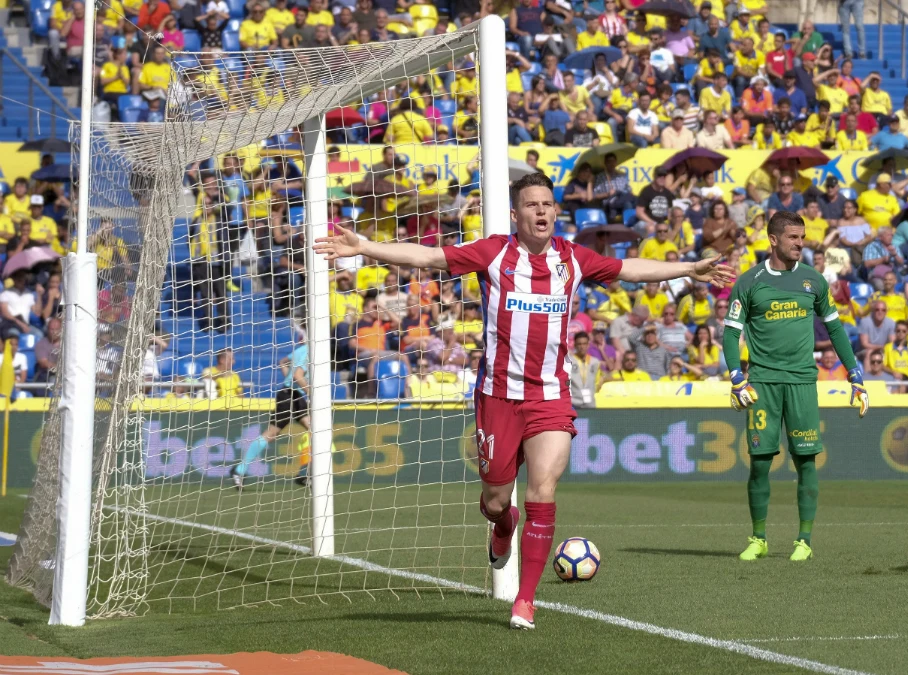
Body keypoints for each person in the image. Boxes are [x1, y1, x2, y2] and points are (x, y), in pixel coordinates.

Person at [313, 172, 733, 630]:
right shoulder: (494, 254)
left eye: (547, 205)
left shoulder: (572, 259)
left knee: (543, 491)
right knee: (495, 499)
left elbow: (631, 269)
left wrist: (689, 268)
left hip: (550, 397)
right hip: (497, 397)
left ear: (555, 211)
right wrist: (366, 248)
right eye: (531, 205)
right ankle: (502, 524)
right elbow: (430, 256)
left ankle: (525, 601)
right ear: (516, 214)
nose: (541, 211)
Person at [723, 210, 867, 563]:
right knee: (759, 463)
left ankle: (804, 540)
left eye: (802, 237)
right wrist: (736, 376)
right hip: (762, 384)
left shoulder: (814, 280)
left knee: (806, 461)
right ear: (773, 239)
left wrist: (855, 373)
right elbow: (730, 333)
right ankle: (759, 537)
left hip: (802, 381)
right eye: (793, 237)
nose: (800, 243)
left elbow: (835, 329)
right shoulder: (749, 281)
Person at [230, 322, 311, 489]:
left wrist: (288, 380)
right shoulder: (308, 351)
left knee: (315, 429)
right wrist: (311, 392)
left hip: (294, 395)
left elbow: (283, 362)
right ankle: (240, 469)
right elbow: (297, 375)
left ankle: (306, 472)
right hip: (290, 396)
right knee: (271, 434)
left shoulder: (299, 351)